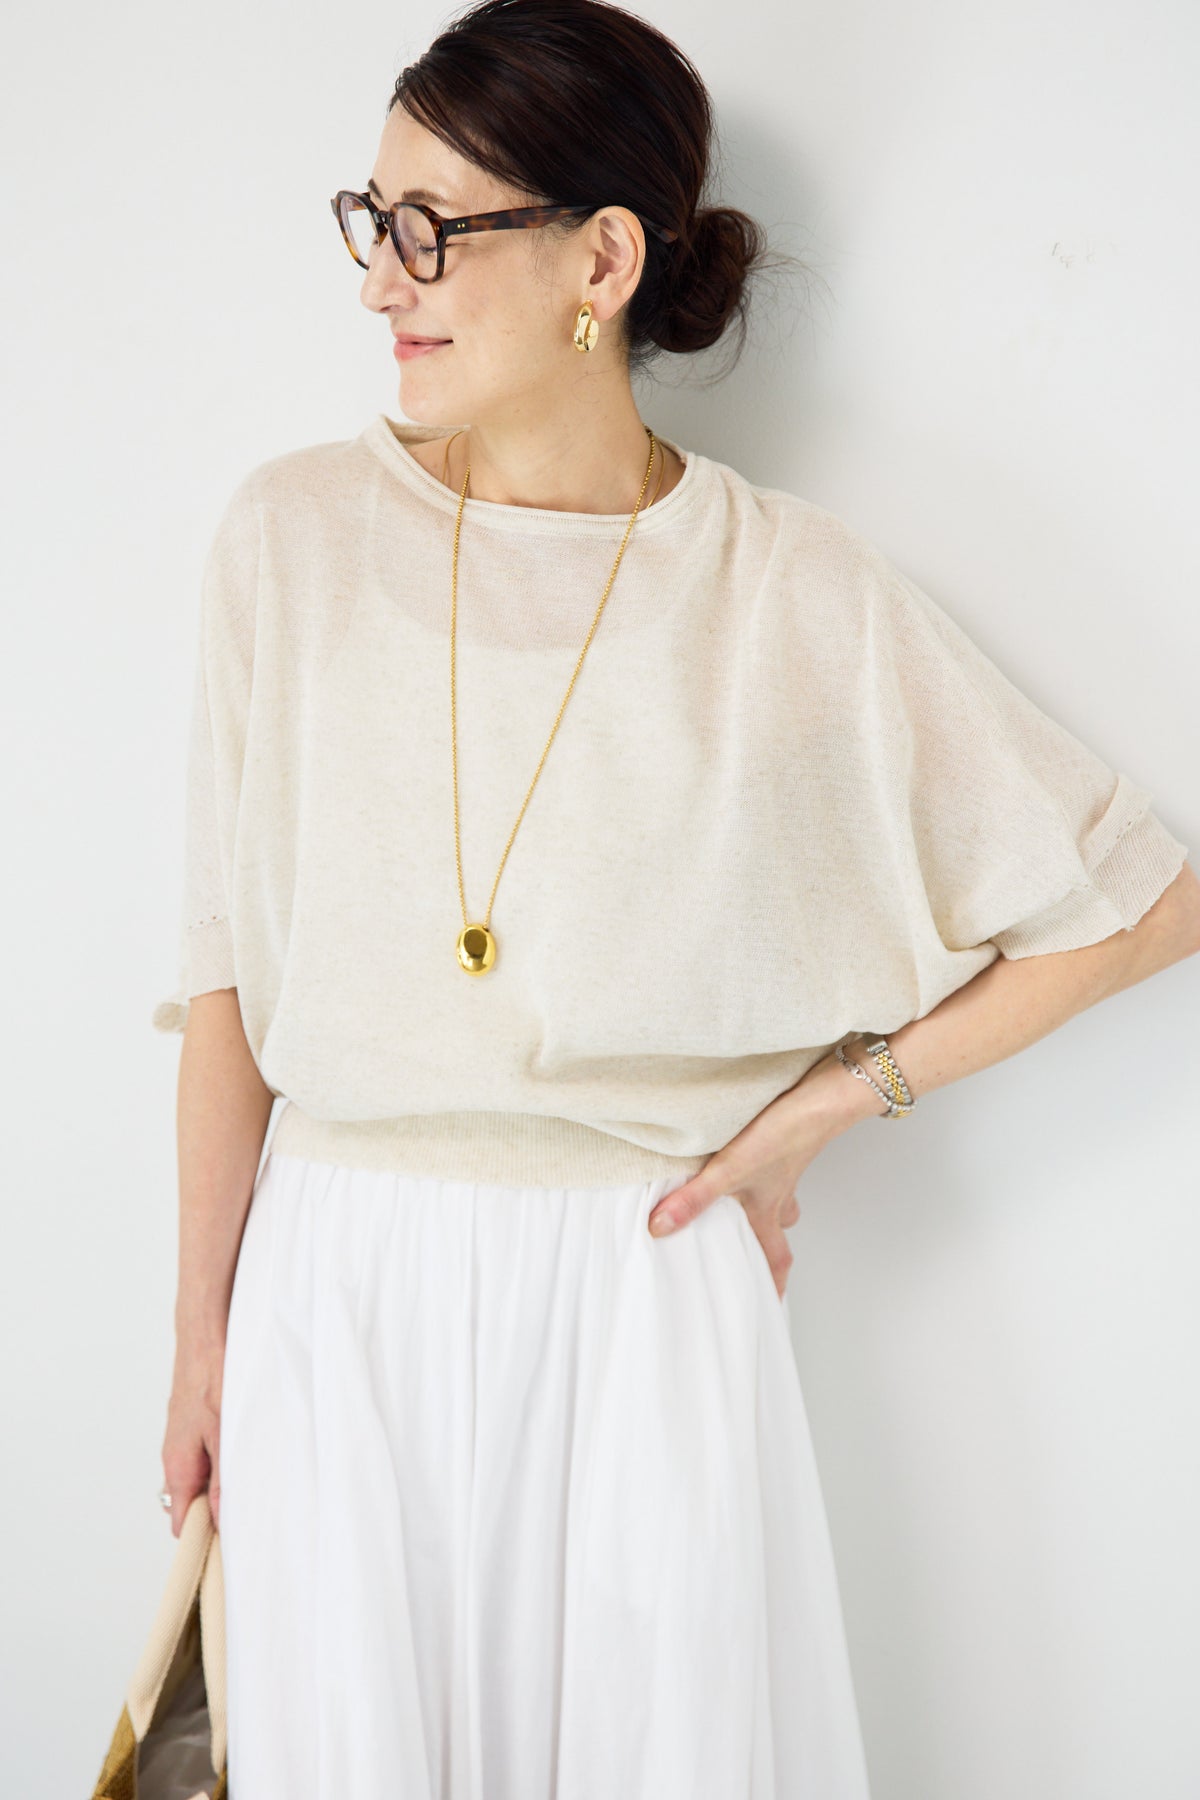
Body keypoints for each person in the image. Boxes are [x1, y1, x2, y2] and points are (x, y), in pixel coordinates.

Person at [150, 1, 1200, 1795]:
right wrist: (199, 1339)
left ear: (603, 260)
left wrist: (823, 1112)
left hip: (638, 1297)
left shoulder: (786, 588)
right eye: (372, 221)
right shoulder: (292, 537)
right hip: (336, 1293)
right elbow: (229, 975)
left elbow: (1143, 902)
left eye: (432, 231)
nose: (381, 281)